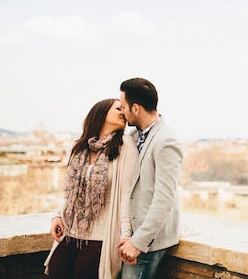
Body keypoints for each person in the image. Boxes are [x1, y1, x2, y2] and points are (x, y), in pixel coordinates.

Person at [45, 98, 139, 279]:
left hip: (100, 238)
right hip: (70, 232)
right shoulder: (77, 147)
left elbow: (126, 194)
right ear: (101, 113)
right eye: (118, 108)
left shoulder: (125, 146)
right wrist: (58, 214)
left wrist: (126, 235)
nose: (123, 112)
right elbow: (71, 191)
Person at [116, 77, 184, 279]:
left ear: (135, 108)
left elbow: (164, 199)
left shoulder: (166, 141)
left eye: (123, 106)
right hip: (132, 236)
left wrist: (138, 242)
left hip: (148, 242)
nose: (121, 111)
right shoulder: (135, 135)